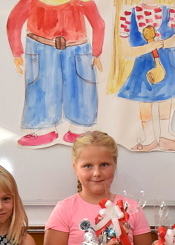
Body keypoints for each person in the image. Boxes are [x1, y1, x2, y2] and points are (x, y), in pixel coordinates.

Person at [6, 0, 105, 146]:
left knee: (80, 87)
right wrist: (16, 52)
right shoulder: (31, 1)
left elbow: (98, 24)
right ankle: (44, 130)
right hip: (41, 47)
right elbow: (14, 22)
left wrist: (96, 52)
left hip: (76, 48)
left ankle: (79, 130)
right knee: (42, 87)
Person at [108, 0, 175, 152]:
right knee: (145, 102)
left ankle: (165, 135)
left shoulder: (173, 13)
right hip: (143, 67)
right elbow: (126, 51)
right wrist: (150, 46)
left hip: (169, 65)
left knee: (166, 98)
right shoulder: (128, 15)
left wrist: (159, 44)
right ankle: (149, 138)